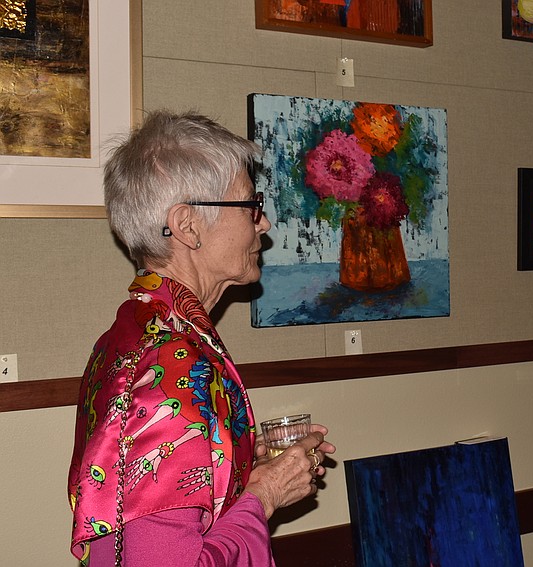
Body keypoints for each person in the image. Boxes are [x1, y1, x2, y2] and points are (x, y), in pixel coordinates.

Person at [68, 111, 336, 566]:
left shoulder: (133, 332)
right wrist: (264, 495)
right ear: (188, 226)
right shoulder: (171, 369)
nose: (263, 223)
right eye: (251, 205)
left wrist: (248, 467)